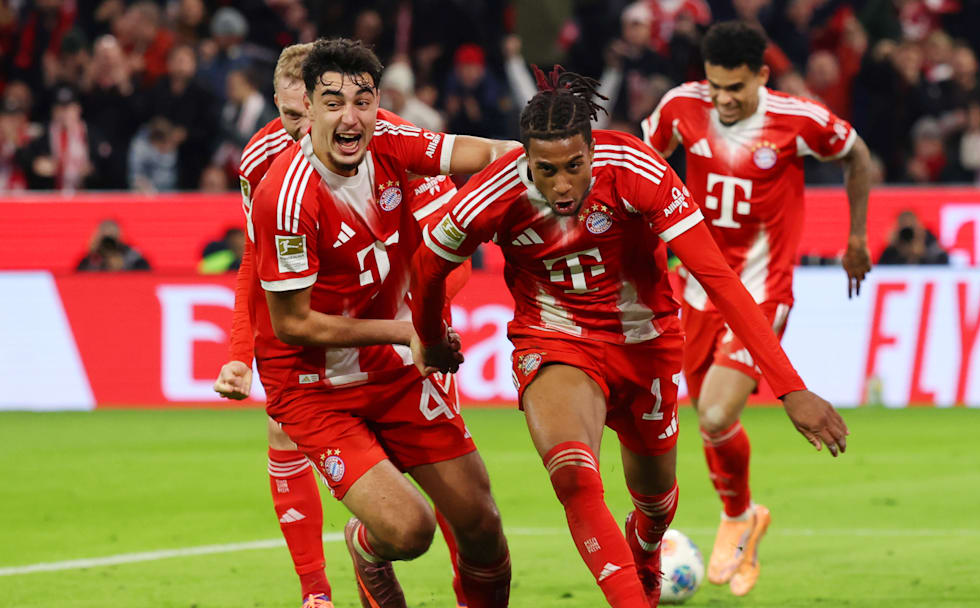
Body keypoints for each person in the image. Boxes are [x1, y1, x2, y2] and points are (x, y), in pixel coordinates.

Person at [411, 66, 848, 608]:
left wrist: (790, 387)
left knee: (657, 503)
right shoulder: (492, 193)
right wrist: (430, 335)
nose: (563, 183)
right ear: (525, 160)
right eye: (546, 170)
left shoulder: (638, 169)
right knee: (574, 478)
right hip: (556, 341)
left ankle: (646, 552)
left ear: (594, 150)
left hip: (647, 345)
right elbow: (428, 264)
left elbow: (719, 281)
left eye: (575, 165)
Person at [241, 38, 517, 608]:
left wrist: (541, 156)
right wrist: (409, 332)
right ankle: (362, 551)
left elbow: (487, 153)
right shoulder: (285, 194)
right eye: (333, 102)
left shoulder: (391, 137)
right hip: (313, 388)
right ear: (308, 111)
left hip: (391, 371)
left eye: (363, 101)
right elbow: (292, 324)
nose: (351, 117)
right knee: (411, 531)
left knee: (481, 524)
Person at [640, 20, 872, 596]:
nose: (722, 99)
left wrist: (858, 238)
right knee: (708, 423)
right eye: (715, 86)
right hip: (693, 288)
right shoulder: (679, 107)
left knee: (716, 414)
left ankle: (738, 518)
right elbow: (644, 167)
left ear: (763, 75)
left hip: (761, 289)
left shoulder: (798, 120)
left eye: (736, 88)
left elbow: (857, 154)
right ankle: (745, 516)